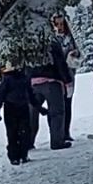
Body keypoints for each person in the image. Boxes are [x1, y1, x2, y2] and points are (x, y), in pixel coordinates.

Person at [31, 15, 76, 149]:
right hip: (52, 81)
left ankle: (28, 142)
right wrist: (67, 81)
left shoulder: (31, 43)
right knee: (57, 112)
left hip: (33, 82)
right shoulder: (53, 42)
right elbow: (60, 63)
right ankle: (57, 141)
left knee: (32, 113)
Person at [0, 62, 36, 166]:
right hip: (15, 107)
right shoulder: (19, 78)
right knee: (21, 132)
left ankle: (18, 156)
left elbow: (1, 95)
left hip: (14, 107)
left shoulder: (11, 78)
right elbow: (30, 94)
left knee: (15, 133)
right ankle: (19, 155)